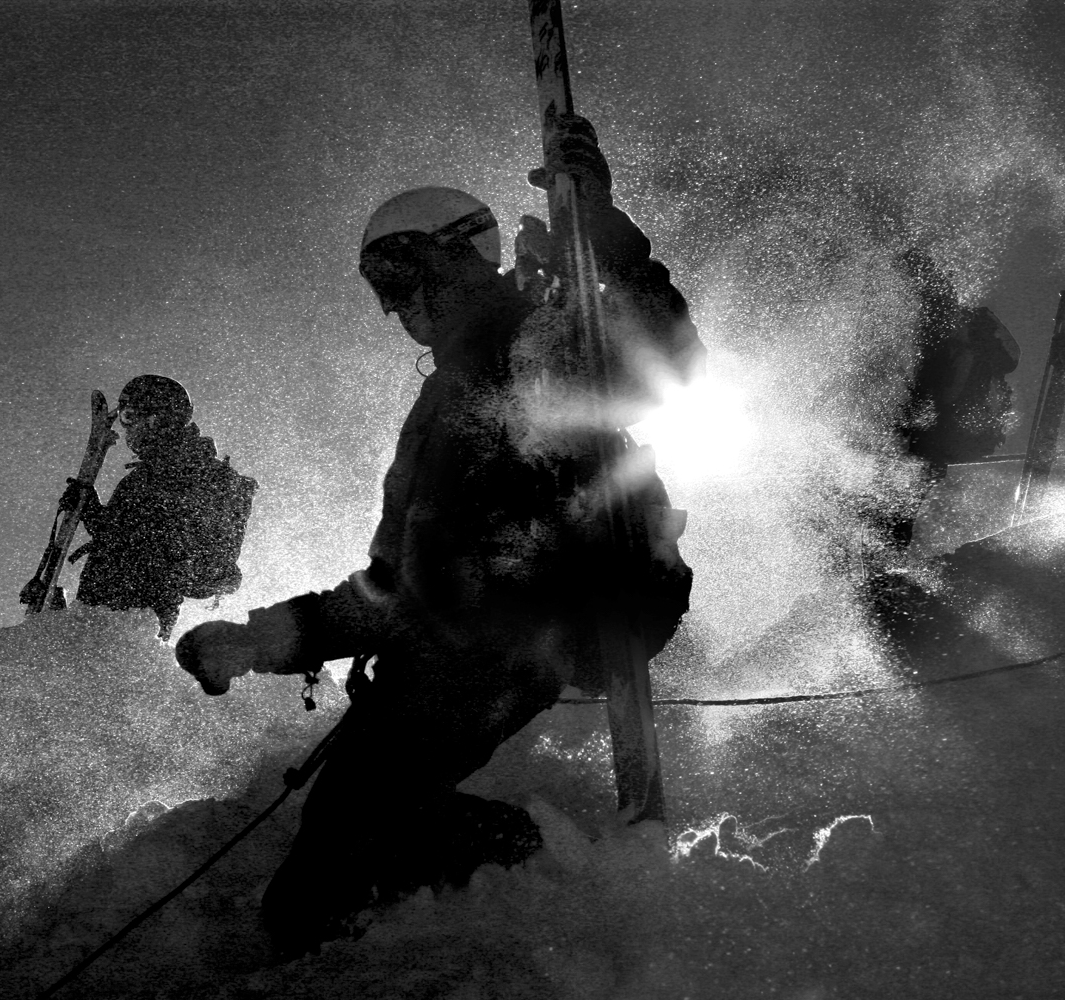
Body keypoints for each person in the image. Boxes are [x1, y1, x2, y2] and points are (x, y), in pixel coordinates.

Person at [173, 115, 701, 958]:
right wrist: (262, 639)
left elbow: (660, 366)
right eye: (376, 283)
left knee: (340, 850)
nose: (394, 302)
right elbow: (400, 582)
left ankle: (522, 893)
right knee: (346, 821)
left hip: (527, 624)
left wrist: (603, 238)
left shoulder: (533, 340)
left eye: (401, 268)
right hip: (456, 634)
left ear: (463, 251)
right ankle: (506, 881)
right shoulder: (445, 399)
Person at [864, 243, 1019, 595]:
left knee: (895, 509)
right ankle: (894, 574)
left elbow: (931, 384)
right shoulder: (952, 317)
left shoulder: (930, 321)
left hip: (931, 434)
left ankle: (890, 582)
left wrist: (906, 423)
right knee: (903, 508)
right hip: (949, 436)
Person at [61, 374, 254, 639]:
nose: (128, 429)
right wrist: (90, 510)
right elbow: (130, 535)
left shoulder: (181, 470)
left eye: (130, 417)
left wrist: (92, 512)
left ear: (156, 418)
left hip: (130, 613)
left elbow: (148, 542)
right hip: (119, 612)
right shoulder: (159, 472)